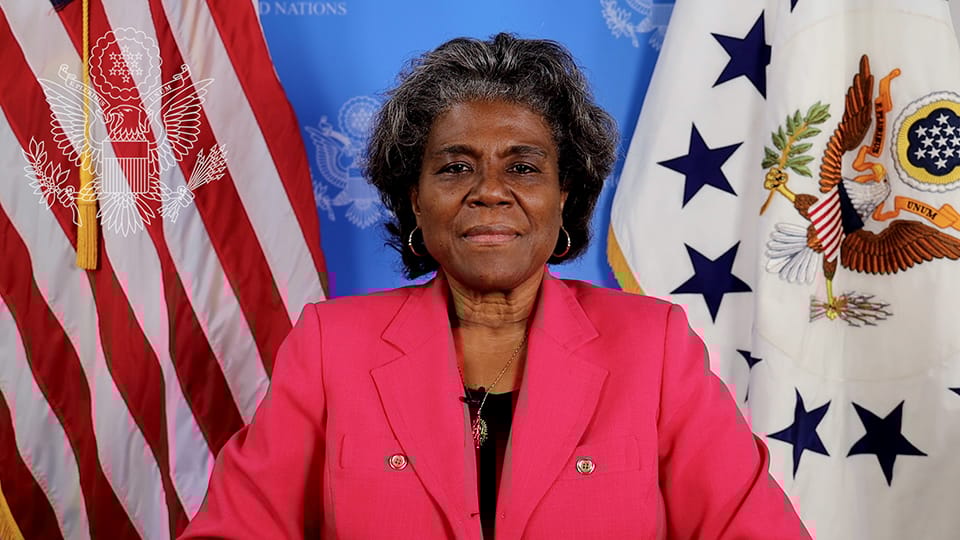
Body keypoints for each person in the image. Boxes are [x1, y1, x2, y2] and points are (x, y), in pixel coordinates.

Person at [180, 33, 810, 539]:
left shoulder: (654, 347)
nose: (488, 191)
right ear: (415, 200)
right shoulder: (329, 347)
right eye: (455, 167)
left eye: (524, 167)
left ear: (564, 198)